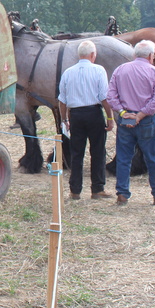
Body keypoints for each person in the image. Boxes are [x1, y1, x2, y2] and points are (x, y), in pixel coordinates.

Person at [106, 40, 155, 205]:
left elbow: (111, 95)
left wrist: (123, 112)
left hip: (125, 119)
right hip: (146, 120)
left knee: (124, 158)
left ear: (134, 54)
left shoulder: (120, 70)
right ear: (150, 55)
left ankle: (122, 193)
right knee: (153, 157)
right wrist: (140, 115)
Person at [58, 40, 115, 200]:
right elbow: (104, 97)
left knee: (77, 153)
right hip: (94, 113)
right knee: (98, 151)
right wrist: (110, 118)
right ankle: (97, 189)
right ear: (92, 55)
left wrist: (64, 120)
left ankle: (75, 190)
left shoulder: (68, 72)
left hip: (75, 115)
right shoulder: (99, 70)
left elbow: (62, 100)